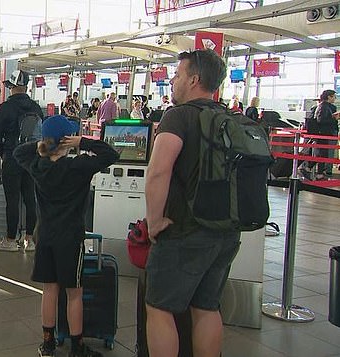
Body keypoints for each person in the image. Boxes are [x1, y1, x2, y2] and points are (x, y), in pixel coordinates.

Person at [144, 49, 239, 357]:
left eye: (178, 74)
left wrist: (154, 221)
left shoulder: (179, 116)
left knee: (159, 308)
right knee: (207, 307)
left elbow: (158, 172)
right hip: (226, 232)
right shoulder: (230, 119)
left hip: (185, 230)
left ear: (194, 80)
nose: (172, 80)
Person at [14, 115, 118, 357]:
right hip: (70, 238)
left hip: (46, 236)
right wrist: (83, 142)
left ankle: (48, 343)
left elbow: (19, 152)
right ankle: (77, 347)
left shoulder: (37, 166)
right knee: (74, 293)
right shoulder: (78, 166)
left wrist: (45, 143)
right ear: (68, 140)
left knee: (50, 290)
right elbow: (111, 154)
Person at [0, 70, 42, 252]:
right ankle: (30, 240)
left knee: (12, 200)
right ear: (26, 87)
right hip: (32, 158)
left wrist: (3, 154)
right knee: (30, 199)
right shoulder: (36, 108)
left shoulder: (4, 108)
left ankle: (11, 239)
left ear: (11, 87)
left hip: (12, 157)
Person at [313, 89, 339, 178]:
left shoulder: (326, 107)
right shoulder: (324, 107)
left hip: (327, 133)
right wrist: (334, 118)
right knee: (325, 153)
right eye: (334, 96)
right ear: (329, 97)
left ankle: (323, 171)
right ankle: (323, 171)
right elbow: (321, 120)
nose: (335, 98)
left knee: (324, 153)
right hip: (326, 134)